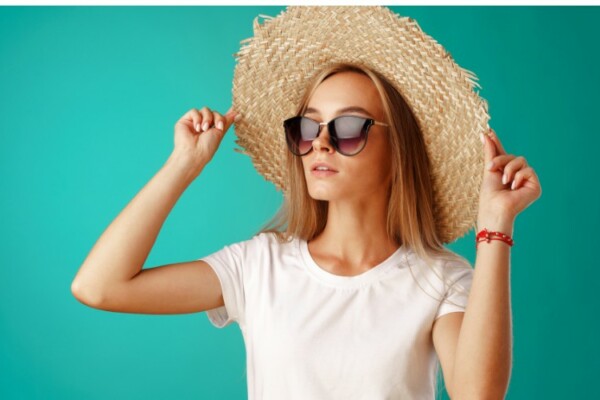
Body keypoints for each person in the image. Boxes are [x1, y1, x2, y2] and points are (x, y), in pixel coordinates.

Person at [71, 6, 542, 400]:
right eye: (308, 127)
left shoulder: (440, 278)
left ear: (400, 152)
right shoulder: (259, 265)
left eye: (349, 128)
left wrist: (495, 227)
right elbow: (99, 286)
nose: (320, 143)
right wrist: (184, 164)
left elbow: (478, 395)